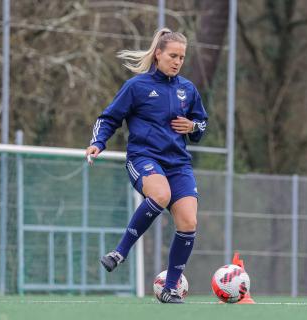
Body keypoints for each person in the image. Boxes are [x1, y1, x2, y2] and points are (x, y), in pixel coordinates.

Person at [85, 28, 208, 303]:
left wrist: (192, 126)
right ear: (158, 55)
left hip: (178, 164)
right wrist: (98, 142)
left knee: (189, 221)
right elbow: (108, 118)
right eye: (173, 55)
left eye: (182, 57)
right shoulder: (137, 87)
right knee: (160, 194)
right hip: (144, 158)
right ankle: (120, 252)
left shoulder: (187, 89)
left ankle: (170, 288)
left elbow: (201, 124)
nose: (177, 61)